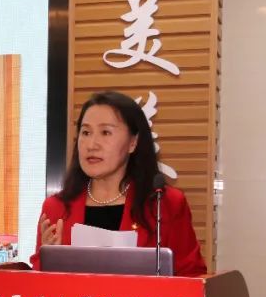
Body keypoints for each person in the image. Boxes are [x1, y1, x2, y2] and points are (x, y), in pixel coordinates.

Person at [31, 91, 206, 277]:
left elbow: (192, 277)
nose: (92, 145)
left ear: (133, 143)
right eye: (86, 132)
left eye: (105, 132)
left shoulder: (163, 204)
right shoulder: (56, 208)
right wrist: (49, 262)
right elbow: (37, 284)